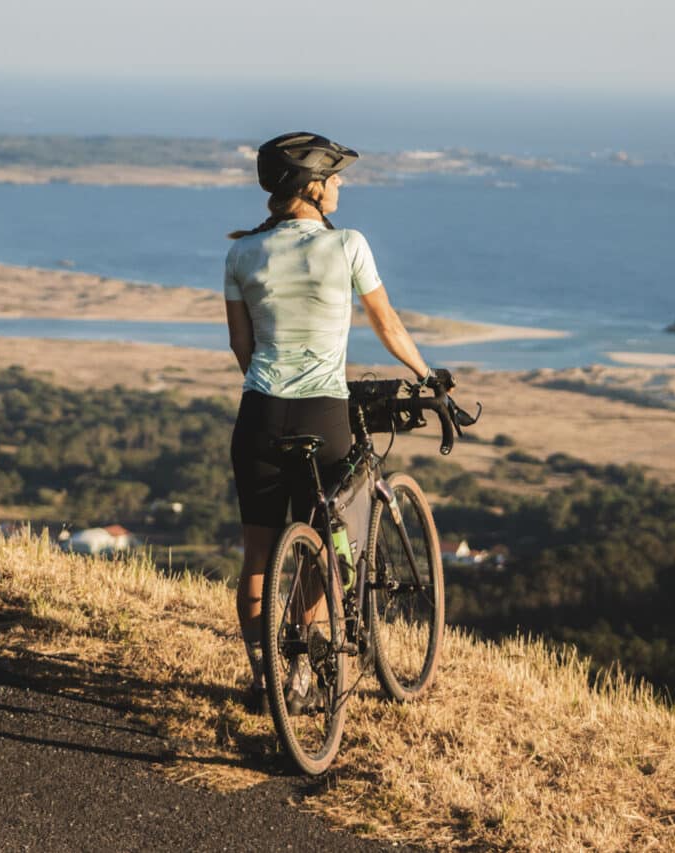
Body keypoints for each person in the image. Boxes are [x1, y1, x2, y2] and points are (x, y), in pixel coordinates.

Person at [224, 132, 438, 711]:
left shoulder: (241, 254)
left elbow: (242, 346)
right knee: (324, 541)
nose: (341, 185)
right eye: (335, 177)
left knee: (258, 558)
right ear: (313, 187)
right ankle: (307, 665)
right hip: (324, 411)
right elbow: (387, 324)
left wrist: (272, 384)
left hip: (260, 414)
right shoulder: (347, 245)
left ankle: (267, 674)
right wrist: (428, 374)